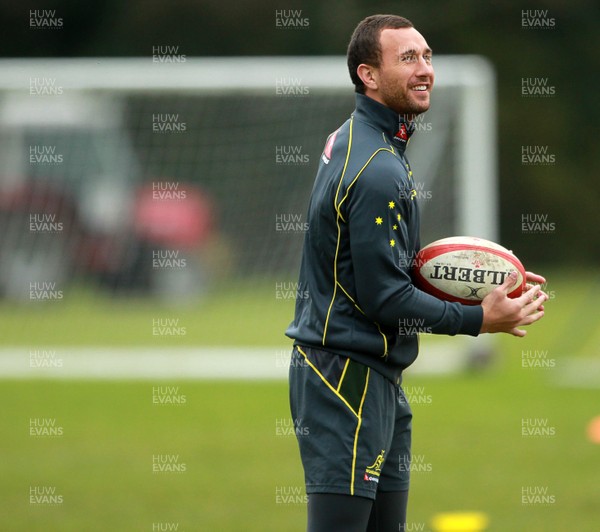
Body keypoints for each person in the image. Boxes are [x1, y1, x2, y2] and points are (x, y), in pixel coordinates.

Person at [285, 14, 547, 532]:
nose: (425, 69)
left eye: (427, 56)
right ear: (368, 75)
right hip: (344, 379)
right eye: (407, 59)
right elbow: (385, 297)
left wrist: (492, 278)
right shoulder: (378, 166)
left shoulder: (358, 138)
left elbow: (376, 267)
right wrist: (478, 318)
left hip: (375, 376)